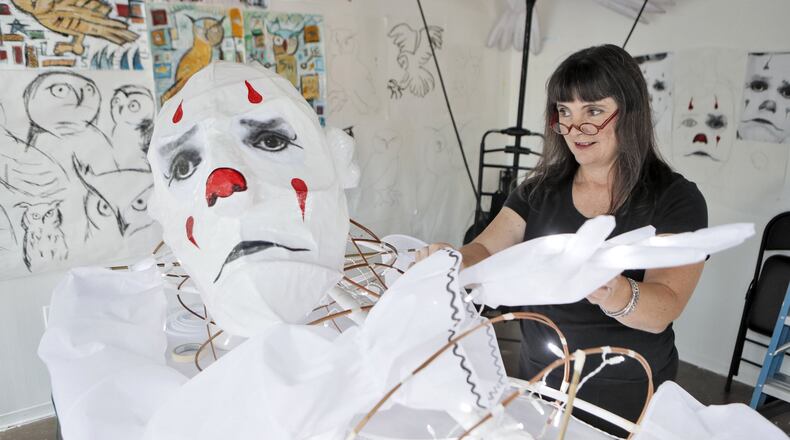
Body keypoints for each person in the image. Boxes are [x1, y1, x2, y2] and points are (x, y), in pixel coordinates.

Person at [416, 44, 708, 436]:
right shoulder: (539, 190)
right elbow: (485, 248)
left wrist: (611, 289)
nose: (574, 129)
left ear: (631, 112)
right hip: (539, 383)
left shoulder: (675, 199)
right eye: (564, 113)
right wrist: (453, 259)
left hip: (625, 396)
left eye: (593, 112)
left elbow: (663, 309)